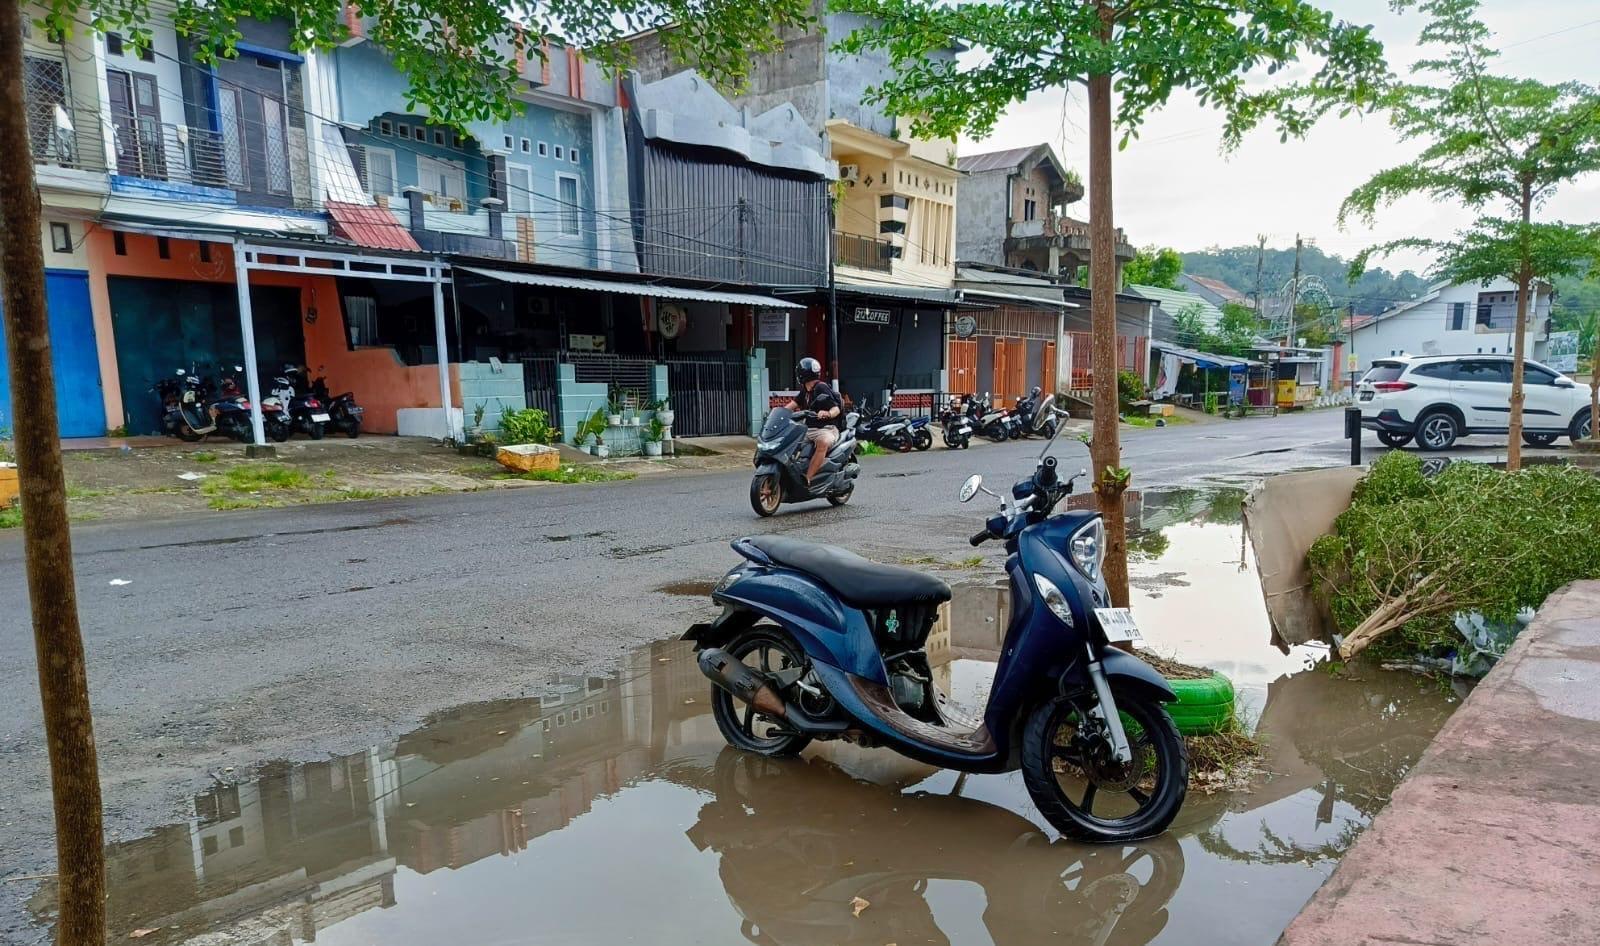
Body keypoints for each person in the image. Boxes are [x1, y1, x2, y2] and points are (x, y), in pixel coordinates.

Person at [783, 357, 841, 486]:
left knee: (823, 442)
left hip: (826, 429)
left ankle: (807, 479)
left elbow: (836, 409)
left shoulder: (821, 387)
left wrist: (828, 413)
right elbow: (792, 405)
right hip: (808, 429)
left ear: (802, 374)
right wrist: (779, 413)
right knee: (788, 441)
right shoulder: (805, 390)